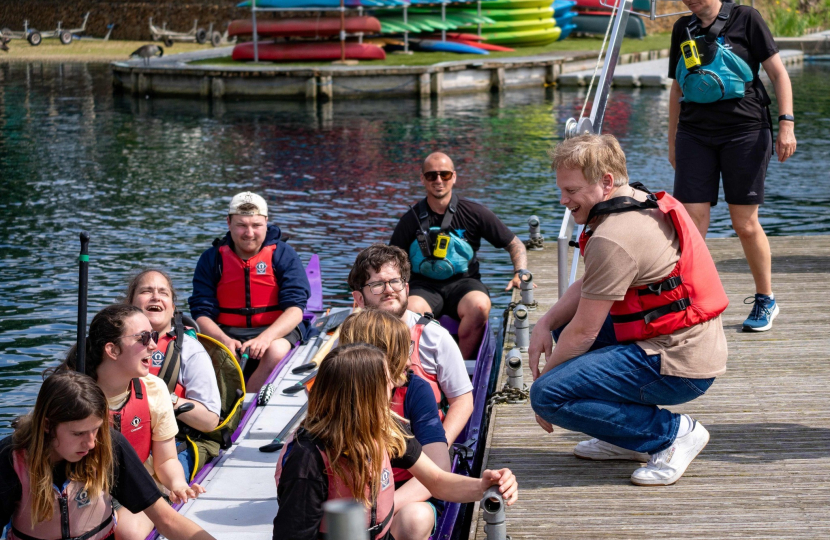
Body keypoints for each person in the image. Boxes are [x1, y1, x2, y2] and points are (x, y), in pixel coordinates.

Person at [529, 134, 728, 486]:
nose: (563, 201)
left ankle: (672, 434)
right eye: (562, 190)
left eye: (572, 191)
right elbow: (592, 287)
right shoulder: (634, 199)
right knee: (562, 330)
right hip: (680, 340)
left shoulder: (613, 235)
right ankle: (622, 437)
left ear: (606, 182)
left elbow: (585, 333)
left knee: (550, 396)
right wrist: (545, 322)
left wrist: (542, 387)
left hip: (681, 363)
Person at [272, 343, 518, 540]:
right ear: (364, 396)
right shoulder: (307, 460)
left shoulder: (386, 431)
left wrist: (484, 485)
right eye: (387, 382)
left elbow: (437, 481)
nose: (395, 385)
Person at [668, 0, 796, 331]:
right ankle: (691, 299)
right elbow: (677, 87)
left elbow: (778, 73)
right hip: (694, 134)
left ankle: (766, 299)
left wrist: (787, 124)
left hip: (745, 131)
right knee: (692, 222)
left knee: (744, 223)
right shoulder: (682, 28)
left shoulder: (746, 18)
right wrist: (671, 142)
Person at [0, 370, 217, 540]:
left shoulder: (111, 446)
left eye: (96, 429)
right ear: (47, 425)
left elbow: (166, 520)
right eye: (78, 433)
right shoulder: (10, 458)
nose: (92, 443)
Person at [62, 304, 205, 540]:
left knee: (127, 532)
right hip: (87, 490)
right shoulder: (73, 394)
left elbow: (166, 459)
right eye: (144, 337)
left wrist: (178, 484)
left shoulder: (155, 389)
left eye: (154, 336)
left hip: (138, 487)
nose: (152, 344)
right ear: (112, 350)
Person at [389, 152, 530, 359]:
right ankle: (419, 369)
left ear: (454, 177)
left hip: (464, 284)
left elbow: (514, 243)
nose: (438, 180)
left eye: (444, 175)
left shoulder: (474, 212)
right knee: (408, 312)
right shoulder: (410, 220)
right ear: (423, 179)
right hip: (423, 286)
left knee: (480, 306)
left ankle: (463, 368)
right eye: (431, 176)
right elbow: (391, 261)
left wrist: (520, 272)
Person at [339, 309, 449, 540]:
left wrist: (379, 511)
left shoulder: (415, 390)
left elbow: (439, 469)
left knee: (415, 519)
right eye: (403, 351)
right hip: (350, 496)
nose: (410, 361)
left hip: (405, 492)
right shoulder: (333, 391)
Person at [348, 244, 473, 444]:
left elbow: (462, 401)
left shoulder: (435, 337)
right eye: (377, 284)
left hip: (426, 448)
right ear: (359, 298)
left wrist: (439, 448)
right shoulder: (349, 340)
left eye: (395, 282)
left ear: (406, 288)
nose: (389, 290)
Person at [189, 191, 311, 393]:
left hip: (276, 329)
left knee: (276, 351)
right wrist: (224, 341)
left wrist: (266, 338)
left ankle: (246, 403)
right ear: (228, 223)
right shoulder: (211, 259)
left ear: (266, 223)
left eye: (256, 225)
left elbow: (295, 309)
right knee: (208, 355)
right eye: (241, 225)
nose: (249, 233)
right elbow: (201, 313)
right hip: (226, 331)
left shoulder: (283, 254)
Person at [124, 269, 222, 481]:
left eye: (163, 292)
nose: (155, 297)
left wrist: (163, 399)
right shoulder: (112, 348)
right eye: (146, 291)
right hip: (122, 437)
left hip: (176, 441)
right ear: (130, 304)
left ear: (172, 309)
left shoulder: (190, 350)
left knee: (152, 487)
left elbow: (210, 421)